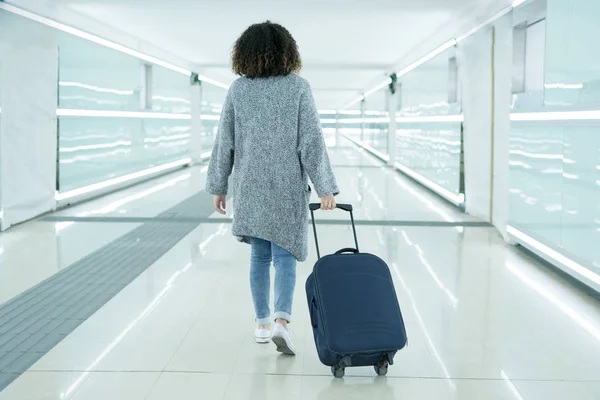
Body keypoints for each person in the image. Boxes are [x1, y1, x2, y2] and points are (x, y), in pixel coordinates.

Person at [205, 21, 339, 356]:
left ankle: (262, 323)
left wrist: (219, 185)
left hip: (250, 183)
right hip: (286, 185)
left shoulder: (238, 90)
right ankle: (282, 320)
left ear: (245, 53)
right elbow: (311, 141)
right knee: (285, 255)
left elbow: (225, 142)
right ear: (287, 52)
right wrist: (325, 187)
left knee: (259, 255)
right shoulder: (298, 88)